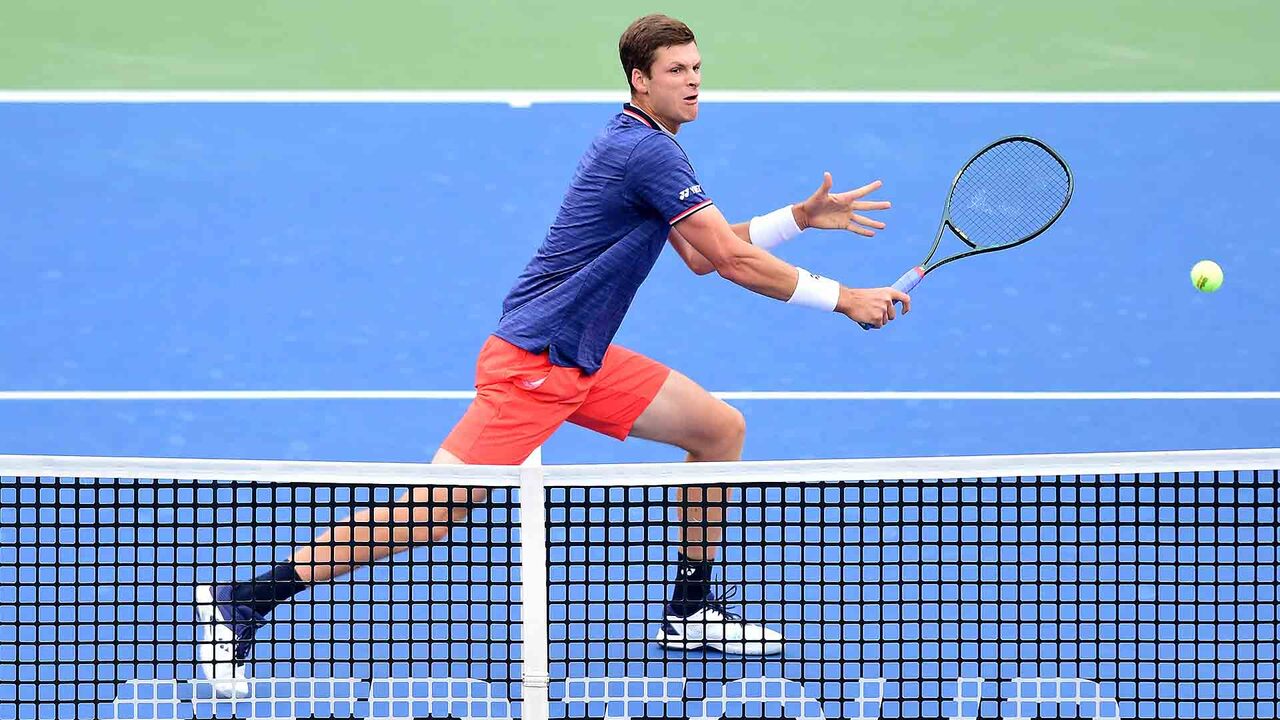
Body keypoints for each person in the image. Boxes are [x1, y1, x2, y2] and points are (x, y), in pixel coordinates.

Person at [195, 13, 909, 698]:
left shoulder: (652, 143)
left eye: (697, 68)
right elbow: (726, 259)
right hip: (534, 362)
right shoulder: (646, 152)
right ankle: (245, 599)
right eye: (676, 71)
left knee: (718, 431)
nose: (694, 82)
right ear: (639, 79)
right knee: (434, 512)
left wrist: (798, 219)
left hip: (581, 360)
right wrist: (844, 298)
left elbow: (698, 252)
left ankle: (690, 609)